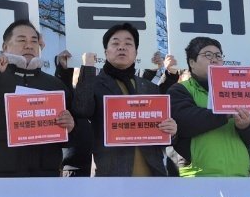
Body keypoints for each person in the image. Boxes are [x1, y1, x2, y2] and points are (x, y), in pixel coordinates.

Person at [0, 19, 75, 176]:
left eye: (34, 41)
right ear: (5, 47)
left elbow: (73, 138)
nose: (29, 45)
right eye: (21, 40)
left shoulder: (54, 85)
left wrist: (70, 127)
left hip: (44, 177)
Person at [71, 23, 177, 176]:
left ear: (135, 53)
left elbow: (164, 137)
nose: (122, 47)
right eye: (115, 43)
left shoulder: (148, 87)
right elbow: (81, 109)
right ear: (106, 52)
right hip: (112, 179)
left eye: (128, 43)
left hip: (154, 179)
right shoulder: (94, 83)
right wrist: (87, 67)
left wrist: (171, 131)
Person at [168, 36, 250, 177]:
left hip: (239, 177)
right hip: (196, 178)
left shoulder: (240, 89)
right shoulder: (179, 90)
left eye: (218, 56)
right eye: (207, 55)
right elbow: (185, 121)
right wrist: (225, 112)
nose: (214, 59)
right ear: (192, 62)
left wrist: (247, 125)